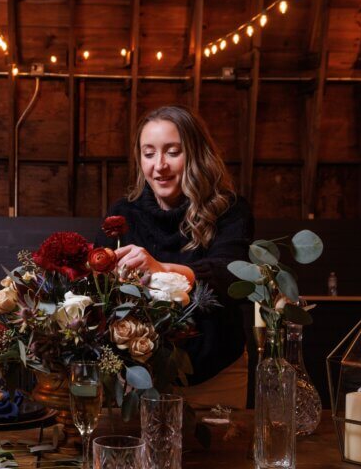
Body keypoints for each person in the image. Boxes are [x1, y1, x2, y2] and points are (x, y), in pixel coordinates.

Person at [95, 105, 254, 408]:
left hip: (216, 373)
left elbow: (233, 274)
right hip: (139, 378)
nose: (160, 165)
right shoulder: (123, 214)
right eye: (149, 153)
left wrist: (162, 269)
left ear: (195, 154)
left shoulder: (230, 210)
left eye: (173, 151)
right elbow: (100, 292)